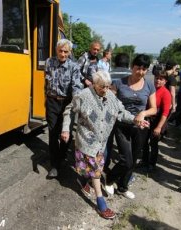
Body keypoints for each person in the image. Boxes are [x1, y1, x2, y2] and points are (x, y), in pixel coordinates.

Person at [61, 71, 149, 219]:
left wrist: (135, 120)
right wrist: (65, 129)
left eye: (108, 87)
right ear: (94, 84)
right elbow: (69, 110)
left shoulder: (111, 97)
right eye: (102, 87)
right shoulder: (83, 95)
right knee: (95, 171)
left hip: (101, 142)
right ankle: (101, 202)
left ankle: (83, 180)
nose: (105, 90)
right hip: (87, 140)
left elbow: (121, 112)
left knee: (91, 167)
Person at [105, 54, 157, 199]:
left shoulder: (149, 85)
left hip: (140, 127)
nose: (140, 71)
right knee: (125, 159)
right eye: (138, 68)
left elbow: (154, 109)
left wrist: (143, 113)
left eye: (144, 69)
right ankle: (109, 179)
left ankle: (123, 187)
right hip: (122, 125)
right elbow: (111, 103)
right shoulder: (120, 83)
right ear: (132, 67)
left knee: (133, 160)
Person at [44, 39, 83, 179]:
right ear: (56, 50)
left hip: (67, 103)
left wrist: (77, 103)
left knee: (66, 132)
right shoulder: (49, 62)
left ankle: (62, 156)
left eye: (66, 51)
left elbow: (77, 87)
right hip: (52, 102)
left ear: (70, 52)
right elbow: (46, 82)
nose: (62, 54)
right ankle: (54, 164)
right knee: (53, 132)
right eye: (60, 50)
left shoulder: (74, 66)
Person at [104, 53, 132, 171]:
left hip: (108, 113)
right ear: (128, 64)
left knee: (107, 141)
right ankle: (124, 166)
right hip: (126, 114)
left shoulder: (108, 75)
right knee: (124, 144)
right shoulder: (131, 76)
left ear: (115, 63)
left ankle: (104, 165)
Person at [142, 69, 172, 172]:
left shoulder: (166, 93)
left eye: (161, 79)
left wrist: (159, 127)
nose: (158, 80)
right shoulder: (151, 88)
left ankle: (152, 164)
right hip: (148, 118)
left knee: (153, 143)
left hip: (158, 121)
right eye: (157, 78)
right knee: (144, 141)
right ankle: (144, 161)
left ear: (165, 81)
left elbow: (165, 113)